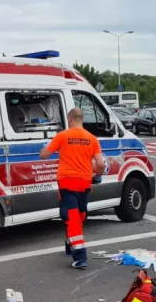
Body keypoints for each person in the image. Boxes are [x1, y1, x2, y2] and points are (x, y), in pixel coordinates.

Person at [39, 107, 107, 268]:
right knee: (79, 216)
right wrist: (96, 176)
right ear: (81, 119)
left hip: (67, 182)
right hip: (84, 183)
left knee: (73, 219)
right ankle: (71, 245)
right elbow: (101, 164)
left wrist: (44, 147)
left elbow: (44, 155)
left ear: (69, 119)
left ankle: (80, 257)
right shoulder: (92, 139)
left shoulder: (62, 136)